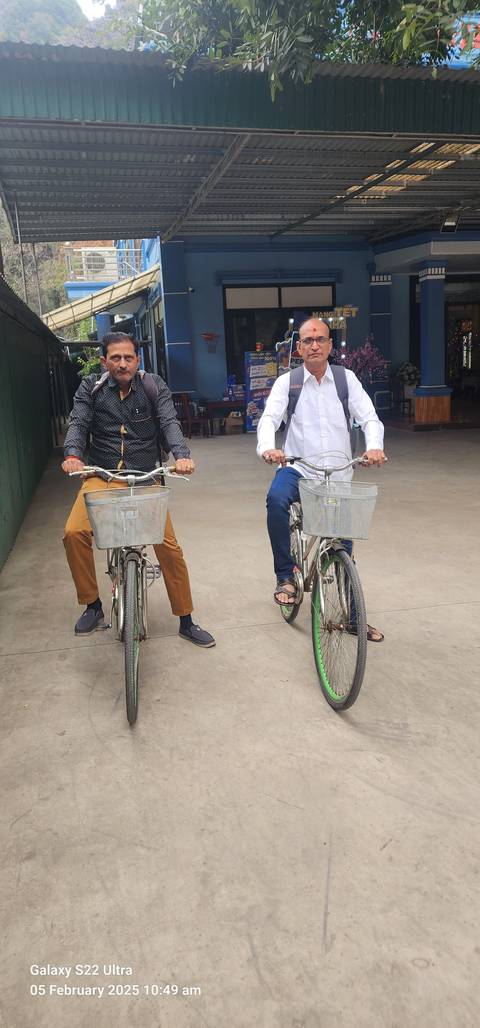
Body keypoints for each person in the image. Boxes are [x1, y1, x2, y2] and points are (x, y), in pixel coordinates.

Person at [61, 332, 215, 648]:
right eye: (115, 358)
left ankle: (186, 619)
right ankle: (92, 604)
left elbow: (170, 422)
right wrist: (73, 455)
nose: (122, 363)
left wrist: (182, 456)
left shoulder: (152, 386)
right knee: (74, 533)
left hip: (145, 477)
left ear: (137, 360)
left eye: (128, 357)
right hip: (101, 476)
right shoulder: (91, 388)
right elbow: (78, 422)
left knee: (169, 547)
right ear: (104, 361)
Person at [257, 317, 386, 642]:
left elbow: (369, 418)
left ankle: (354, 619)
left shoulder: (346, 380)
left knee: (343, 549)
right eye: (307, 340)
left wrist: (374, 447)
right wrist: (269, 448)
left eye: (320, 339)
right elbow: (269, 418)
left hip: (339, 474)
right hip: (298, 468)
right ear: (298, 348)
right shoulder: (288, 383)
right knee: (276, 500)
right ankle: (285, 575)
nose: (314, 345)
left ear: (330, 345)